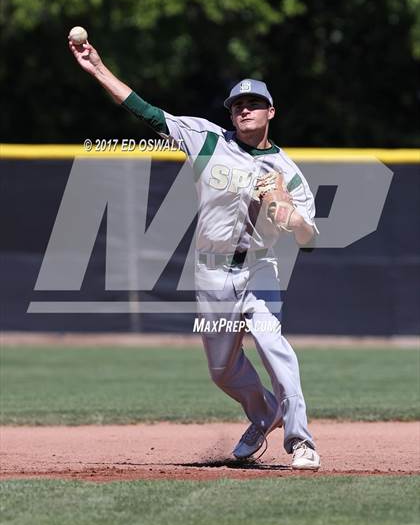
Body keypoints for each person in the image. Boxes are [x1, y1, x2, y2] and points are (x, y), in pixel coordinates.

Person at [69, 37, 321, 470]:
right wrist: (97, 68)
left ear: (270, 112)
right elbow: (145, 111)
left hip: (260, 268)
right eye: (237, 104)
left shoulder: (287, 172)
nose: (244, 109)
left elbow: (308, 237)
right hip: (210, 273)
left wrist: (288, 209)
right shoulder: (206, 139)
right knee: (221, 369)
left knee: (273, 345)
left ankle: (300, 441)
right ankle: (264, 412)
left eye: (254, 103)